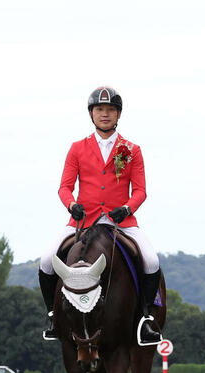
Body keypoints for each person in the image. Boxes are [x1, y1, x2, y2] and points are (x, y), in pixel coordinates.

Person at [38, 86, 162, 346]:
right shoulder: (77, 148)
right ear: (91, 114)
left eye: (110, 110)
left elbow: (140, 191)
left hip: (121, 221)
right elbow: (64, 187)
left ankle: (144, 319)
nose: (105, 114)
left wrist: (127, 208)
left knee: (151, 261)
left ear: (118, 115)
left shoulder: (131, 149)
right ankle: (52, 315)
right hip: (83, 220)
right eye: (99, 109)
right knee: (47, 260)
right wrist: (72, 204)